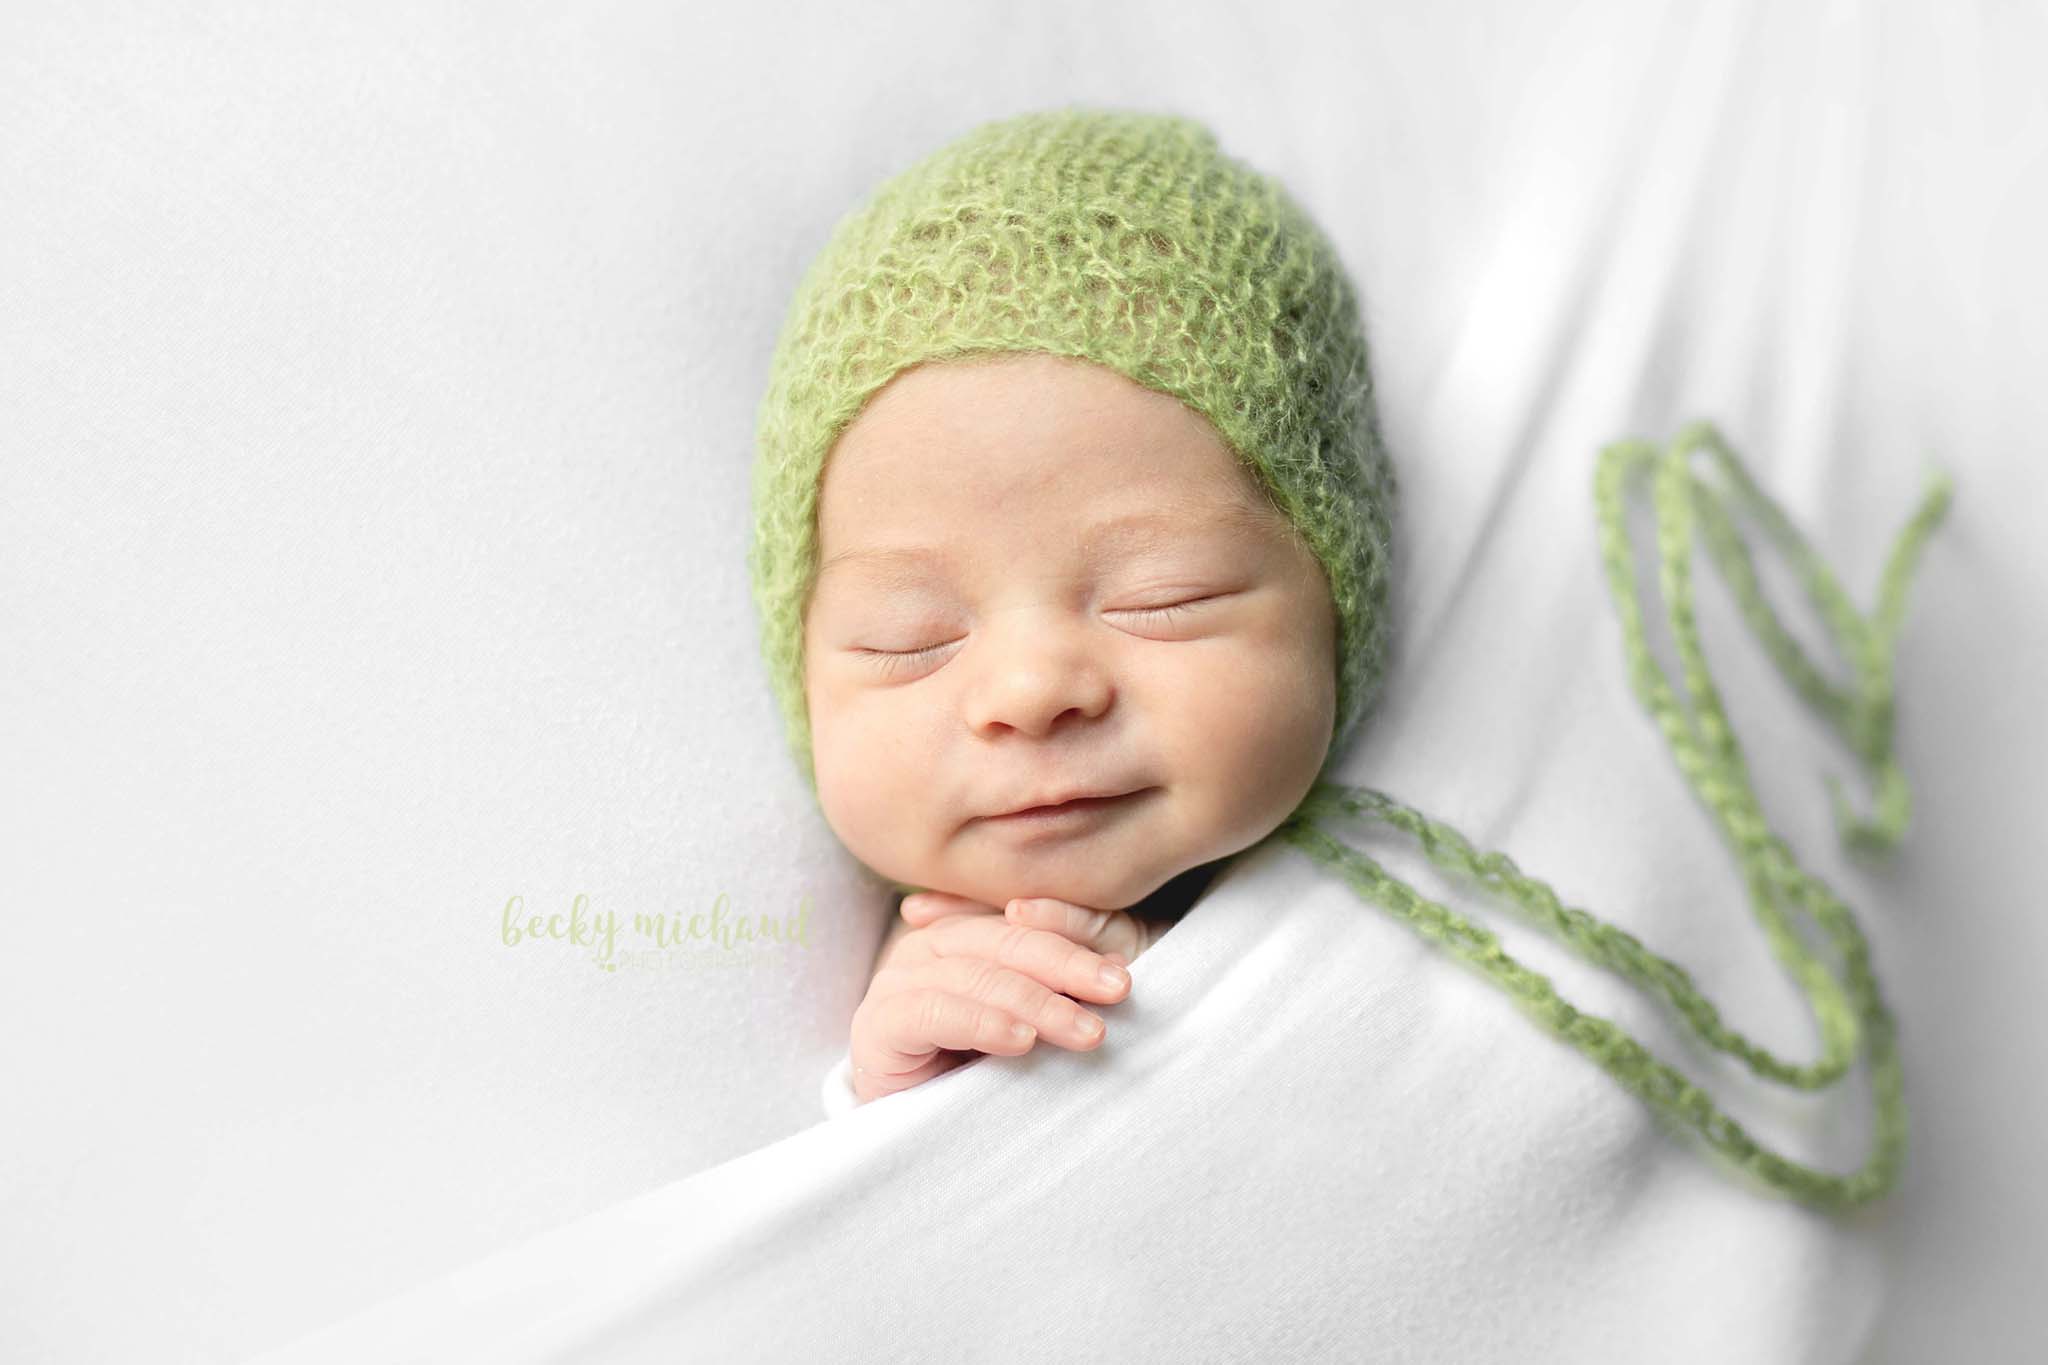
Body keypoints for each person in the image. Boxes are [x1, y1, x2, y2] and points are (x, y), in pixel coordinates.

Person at [747, 105, 1952, 1212]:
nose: (1027, 690)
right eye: (908, 641)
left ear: (1338, 600)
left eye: (1165, 599)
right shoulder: (911, 979)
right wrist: (889, 1099)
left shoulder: (1477, 868)